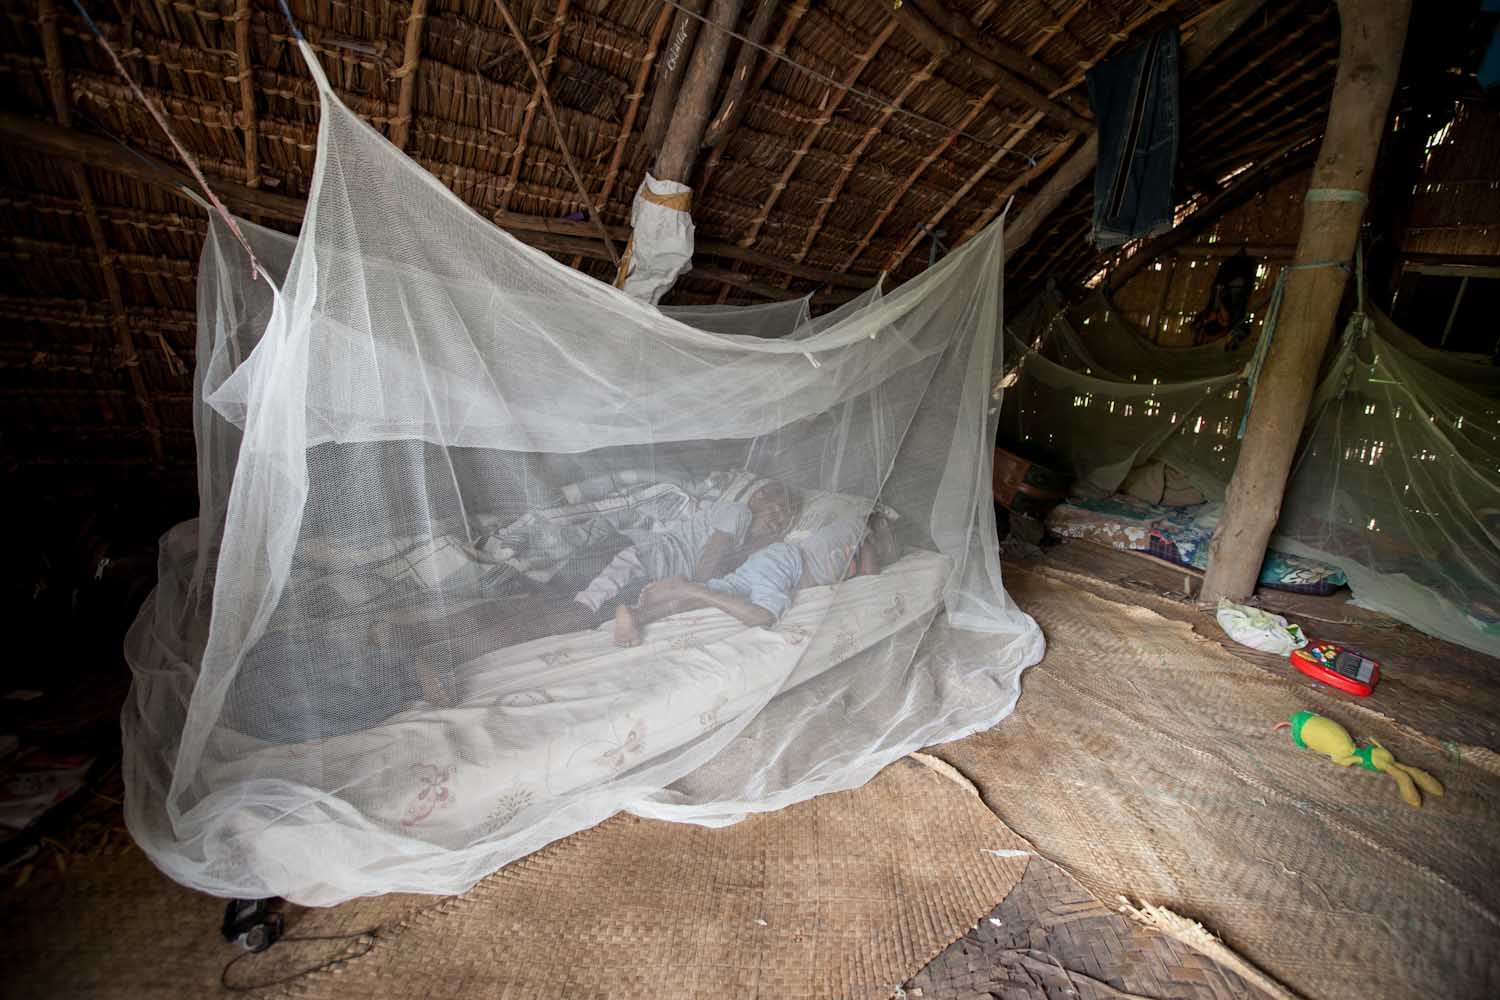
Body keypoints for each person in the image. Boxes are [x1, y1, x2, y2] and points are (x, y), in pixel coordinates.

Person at [612, 515, 891, 647]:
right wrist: (874, 546)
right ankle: (686, 586)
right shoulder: (859, 527)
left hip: (772, 561)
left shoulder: (841, 535)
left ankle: (639, 615)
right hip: (786, 564)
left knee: (722, 592)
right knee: (763, 616)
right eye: (888, 532)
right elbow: (870, 576)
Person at [571, 479, 794, 616]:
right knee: (577, 615)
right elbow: (709, 562)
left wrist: (765, 540)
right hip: (633, 555)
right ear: (757, 498)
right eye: (775, 511)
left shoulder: (742, 539)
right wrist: (698, 595)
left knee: (561, 602)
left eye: (782, 521)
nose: (777, 521)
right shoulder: (738, 512)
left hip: (637, 562)